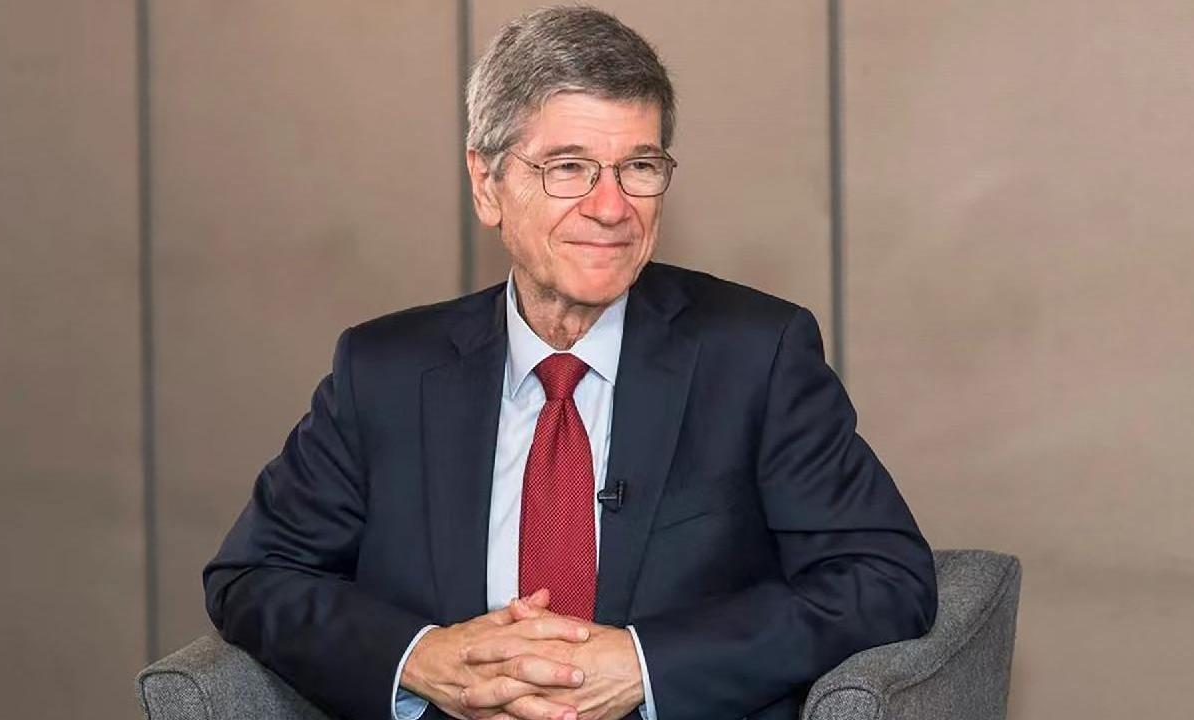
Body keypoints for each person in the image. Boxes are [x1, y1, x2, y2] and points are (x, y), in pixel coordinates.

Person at [204, 7, 937, 720]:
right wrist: (424, 660)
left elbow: (885, 579)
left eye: (638, 166)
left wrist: (645, 666)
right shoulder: (383, 373)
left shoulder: (756, 356)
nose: (611, 207)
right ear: (487, 185)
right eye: (569, 168)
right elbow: (253, 574)